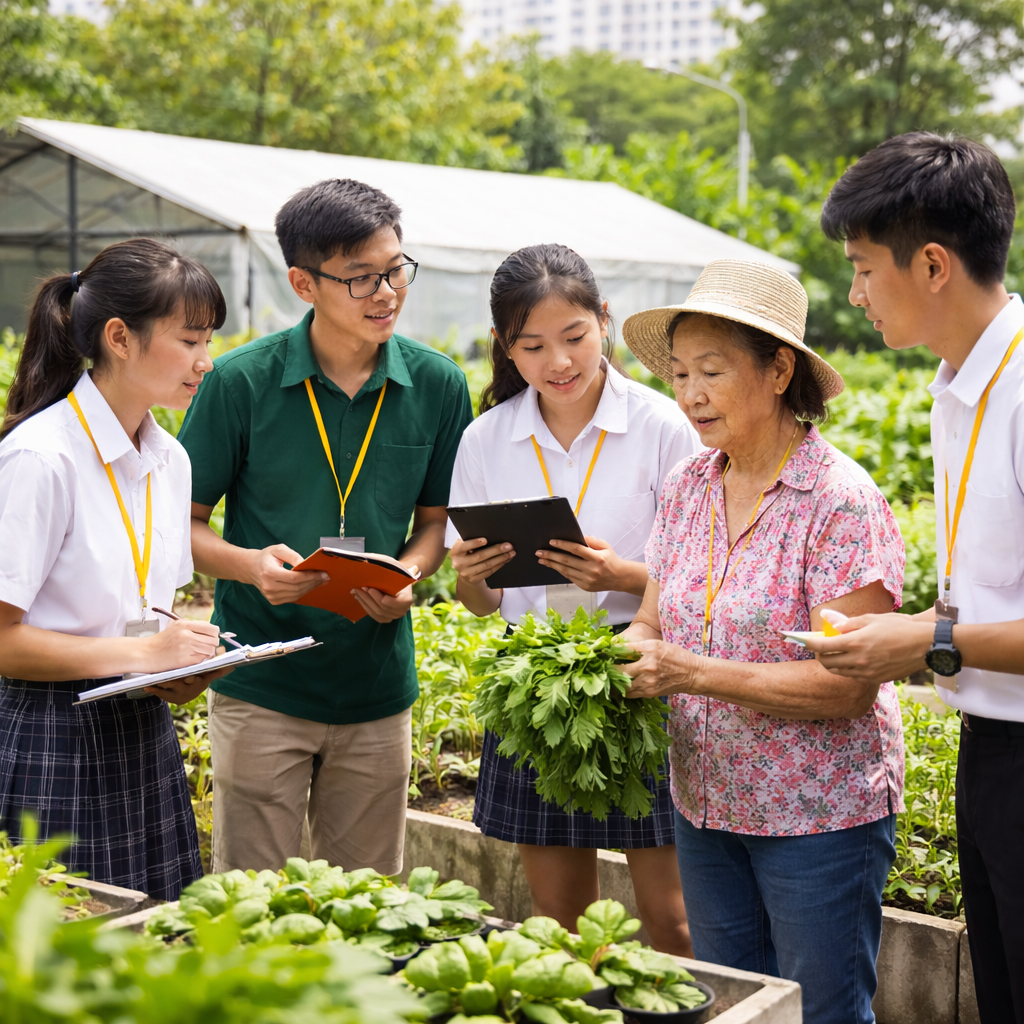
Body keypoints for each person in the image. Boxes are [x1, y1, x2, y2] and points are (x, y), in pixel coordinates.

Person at [619, 259, 906, 1024]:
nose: (689, 395)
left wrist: (692, 673)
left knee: (821, 1011)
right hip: (706, 805)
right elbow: (653, 618)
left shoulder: (839, 503)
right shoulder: (688, 487)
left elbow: (848, 685)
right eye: (679, 374)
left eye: (712, 371)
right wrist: (622, 658)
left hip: (818, 818)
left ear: (780, 371)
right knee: (733, 1004)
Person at [176, 178, 474, 876]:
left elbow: (435, 524)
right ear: (303, 284)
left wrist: (408, 576)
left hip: (376, 690)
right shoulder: (240, 383)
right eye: (360, 277)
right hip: (262, 686)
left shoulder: (437, 385)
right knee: (252, 905)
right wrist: (252, 566)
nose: (386, 292)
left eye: (396, 268)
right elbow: (180, 525)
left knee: (369, 906)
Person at [806, 133, 1024, 1024]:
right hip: (993, 743)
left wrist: (928, 640)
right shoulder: (956, 384)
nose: (854, 294)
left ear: (932, 263)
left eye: (862, 268)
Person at [447, 243, 700, 955]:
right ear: (504, 347)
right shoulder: (486, 438)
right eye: (532, 346)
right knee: (560, 925)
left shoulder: (662, 426)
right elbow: (479, 605)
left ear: (604, 321)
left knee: (674, 921)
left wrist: (621, 577)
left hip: (641, 679)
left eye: (574, 337)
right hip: (535, 688)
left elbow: (704, 576)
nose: (558, 362)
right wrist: (475, 576)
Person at [0, 239, 230, 899]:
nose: (205, 362)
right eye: (190, 341)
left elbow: (146, 615)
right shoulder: (42, 459)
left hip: (138, 725)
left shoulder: (169, 458)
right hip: (51, 732)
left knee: (150, 951)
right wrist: (139, 657)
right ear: (120, 338)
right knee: (59, 969)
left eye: (207, 340)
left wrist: (175, 664)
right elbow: (3, 641)